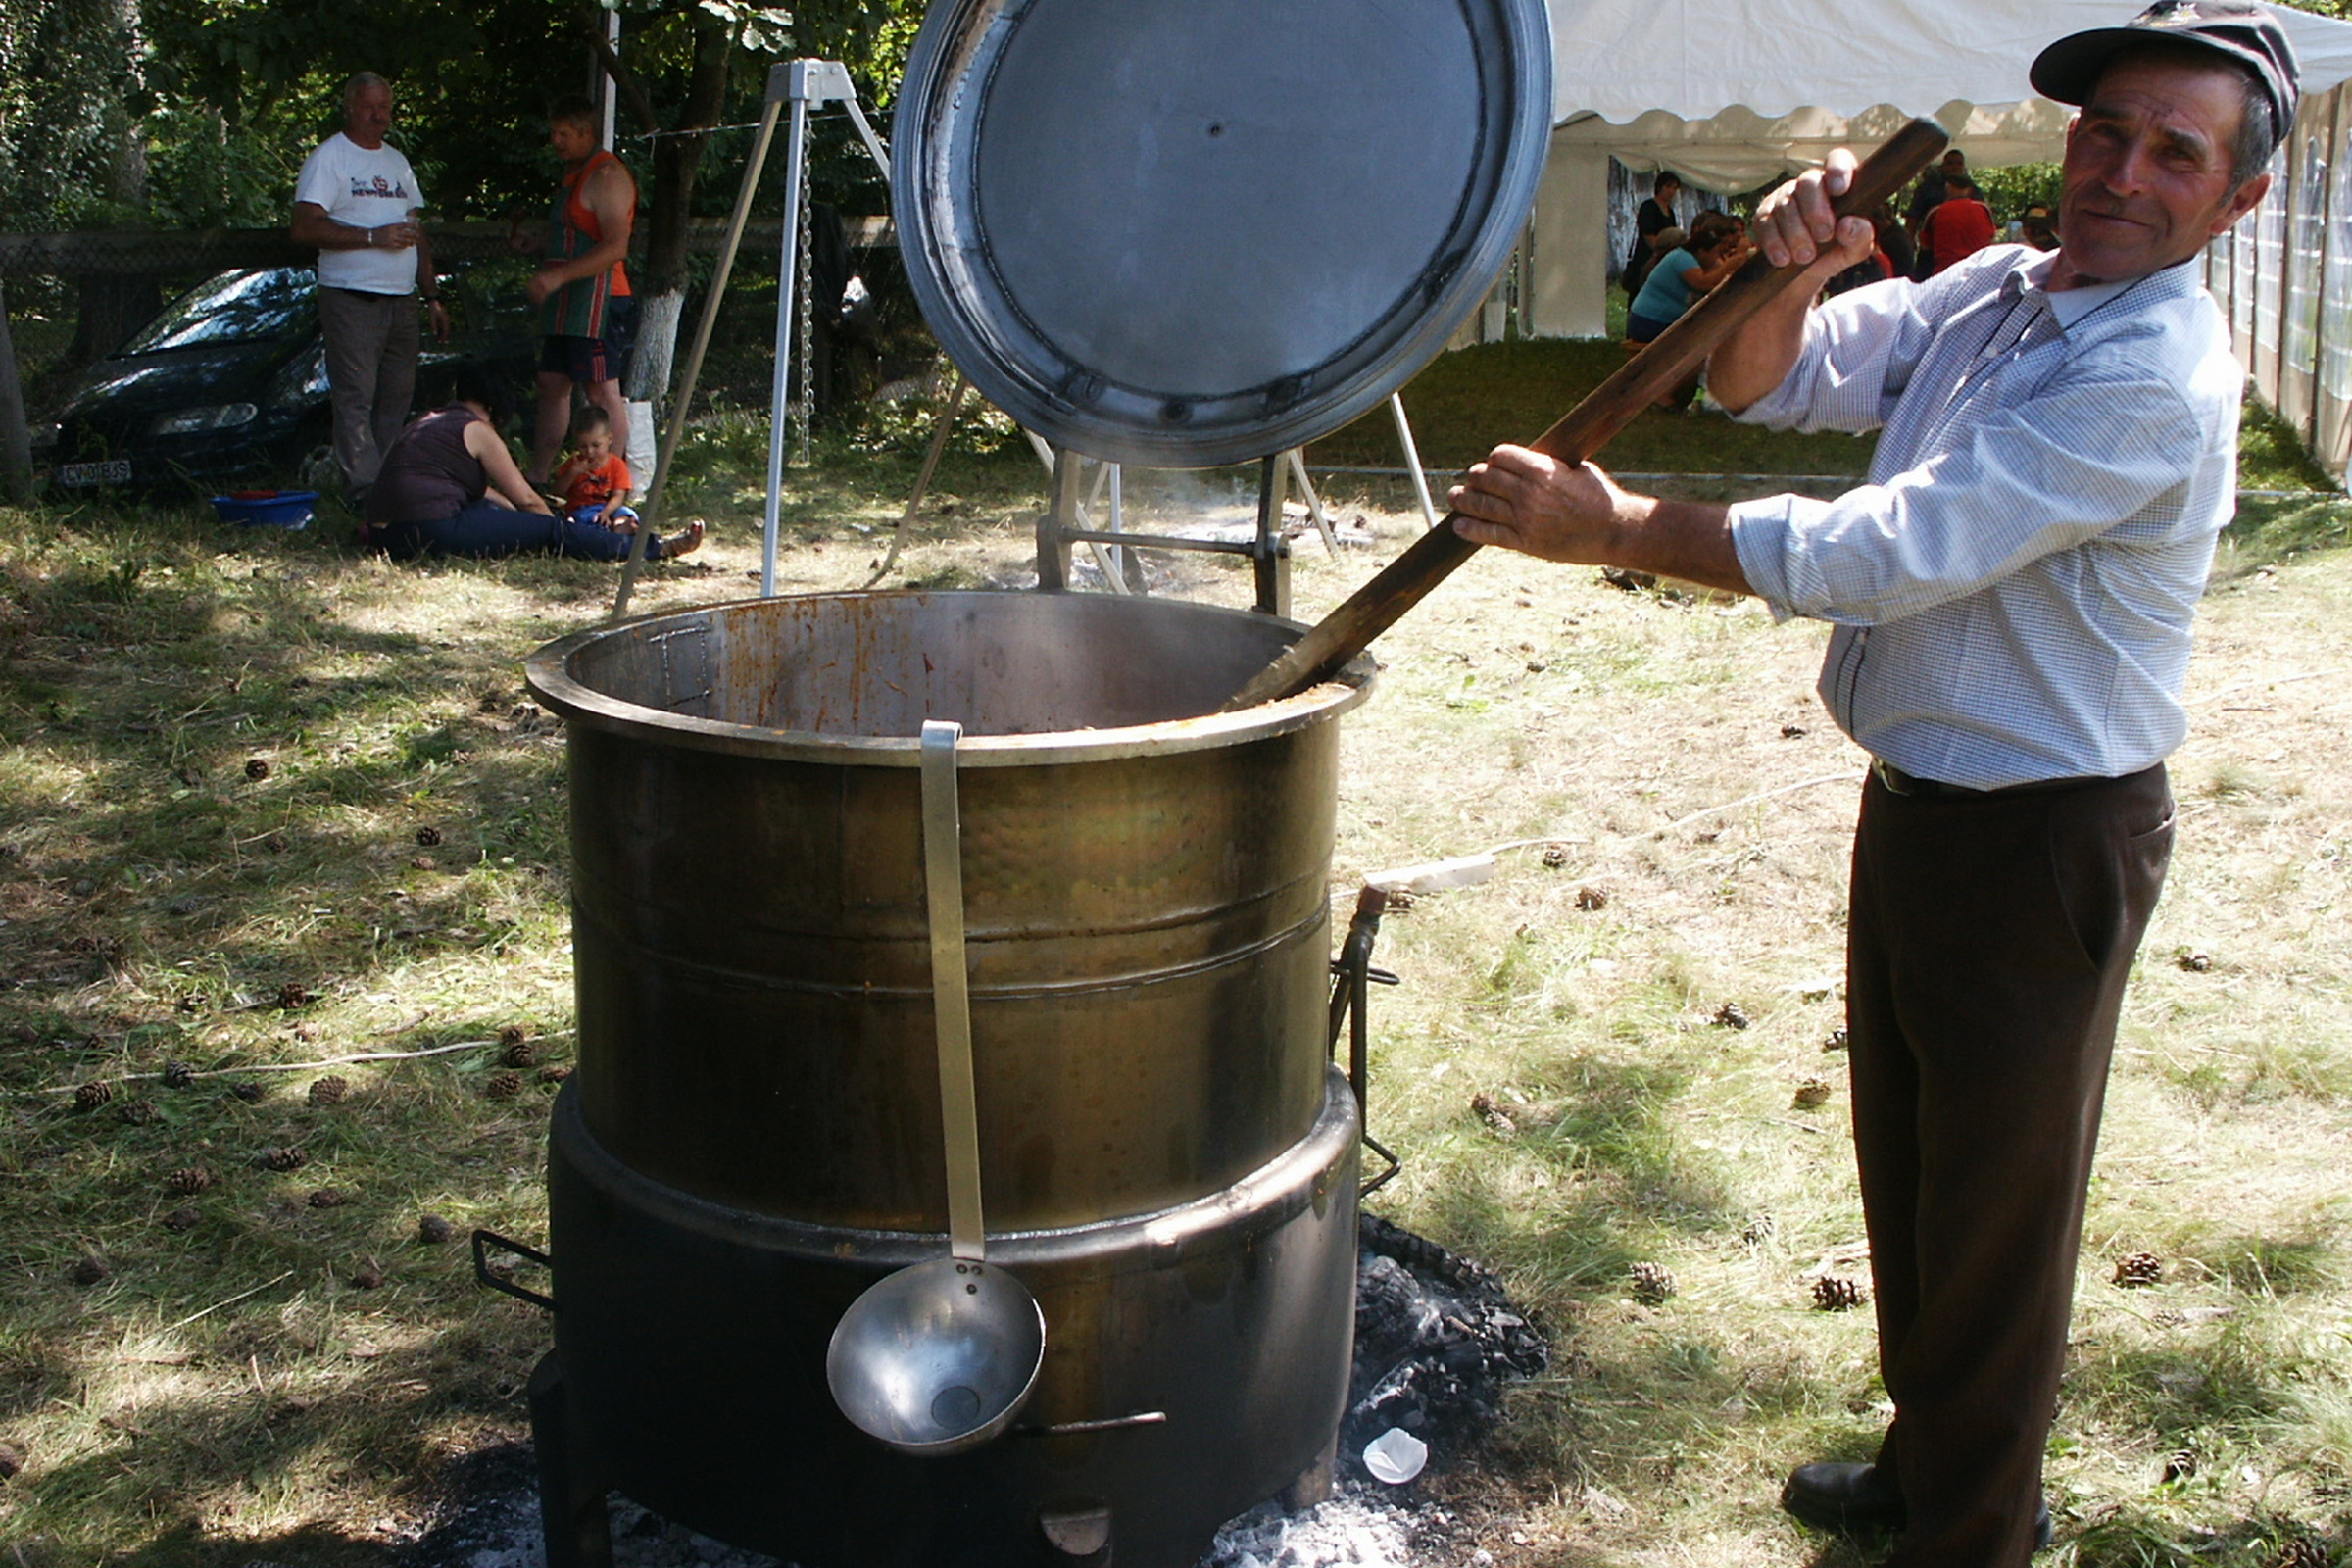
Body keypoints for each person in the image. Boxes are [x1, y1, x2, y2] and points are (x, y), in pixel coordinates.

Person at [1446, 5, 2294, 1565]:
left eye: (2177, 152)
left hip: (2045, 840)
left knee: (1998, 1214)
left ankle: (1974, 1528)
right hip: (1919, 806)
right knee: (1915, 1172)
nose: (2123, 170)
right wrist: (1803, 267)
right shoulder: (2005, 287)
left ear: (2235, 203)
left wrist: (1622, 528)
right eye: (2107, 131)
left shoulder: (2152, 377)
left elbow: (1888, 555)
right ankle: (1928, 1460)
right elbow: (1777, 385)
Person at [290, 73, 450, 501]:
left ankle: (389, 480)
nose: (378, 115)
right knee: (356, 393)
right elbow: (304, 228)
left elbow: (418, 231)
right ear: (350, 107)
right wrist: (372, 237)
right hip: (351, 296)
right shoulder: (330, 158)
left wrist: (432, 295)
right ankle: (362, 487)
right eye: (369, 106)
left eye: (385, 107)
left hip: (402, 299)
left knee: (397, 393)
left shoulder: (397, 162)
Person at [366, 365, 700, 564]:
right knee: (551, 532)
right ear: (495, 405)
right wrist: (552, 527)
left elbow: (484, 491)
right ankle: (653, 547)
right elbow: (527, 499)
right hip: (433, 527)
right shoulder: (476, 429)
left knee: (499, 516)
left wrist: (513, 516)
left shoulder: (428, 422)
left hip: (387, 533)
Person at [517, 94, 638, 488]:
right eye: (553, 132)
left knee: (602, 391)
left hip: (601, 300)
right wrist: (540, 246)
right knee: (551, 384)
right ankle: (540, 477)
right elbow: (579, 236)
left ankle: (611, 483)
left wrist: (556, 277)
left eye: (565, 133)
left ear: (587, 133)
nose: (557, 140)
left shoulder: (607, 176)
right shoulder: (572, 175)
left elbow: (615, 247)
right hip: (568, 303)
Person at [1626, 214, 1752, 344]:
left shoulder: (1696, 260)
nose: (1717, 257)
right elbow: (1702, 283)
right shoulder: (1682, 258)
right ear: (1702, 252)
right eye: (1715, 253)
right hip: (1648, 322)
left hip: (1660, 322)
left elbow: (1715, 283)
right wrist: (1729, 264)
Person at [553, 404, 634, 525]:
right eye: (583, 446)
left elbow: (618, 496)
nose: (589, 451)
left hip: (608, 508)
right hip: (581, 509)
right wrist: (572, 473)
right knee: (579, 519)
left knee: (625, 513)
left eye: (596, 445)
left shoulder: (617, 465)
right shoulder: (575, 463)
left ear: (609, 439)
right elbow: (557, 491)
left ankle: (623, 531)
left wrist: (606, 512)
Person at [1917, 171, 1998, 273]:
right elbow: (1992, 239)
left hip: (1946, 272)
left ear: (1947, 188)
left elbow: (1925, 246)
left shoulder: (1936, 212)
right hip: (1979, 270)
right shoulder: (1984, 209)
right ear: (1969, 190)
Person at [1622, 170, 1685, 298]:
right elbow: (1648, 235)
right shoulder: (1649, 207)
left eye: (1674, 188)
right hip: (1646, 257)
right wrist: (1660, 252)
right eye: (1668, 187)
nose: (1671, 191)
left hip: (1663, 257)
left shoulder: (1670, 211)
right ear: (1659, 187)